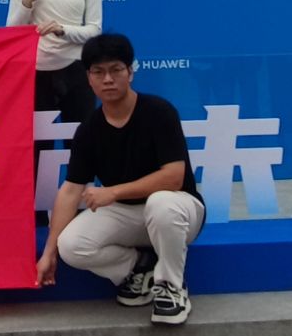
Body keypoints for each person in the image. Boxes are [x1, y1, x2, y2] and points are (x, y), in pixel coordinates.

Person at [35, 33, 205, 327]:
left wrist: (113, 192)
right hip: (128, 213)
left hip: (178, 210)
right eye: (98, 72)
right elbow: (71, 189)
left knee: (161, 204)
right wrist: (49, 253)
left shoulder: (159, 112)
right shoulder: (89, 130)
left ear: (130, 71)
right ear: (88, 78)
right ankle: (139, 268)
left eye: (116, 70)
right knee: (71, 245)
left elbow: (174, 178)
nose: (108, 79)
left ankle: (172, 288)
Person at [6, 0, 102, 221]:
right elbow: (11, 32)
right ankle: (36, 219)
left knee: (81, 144)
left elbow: (94, 30)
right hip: (36, 72)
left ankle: (80, 215)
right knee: (37, 148)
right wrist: (26, 4)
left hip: (76, 71)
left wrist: (63, 30)